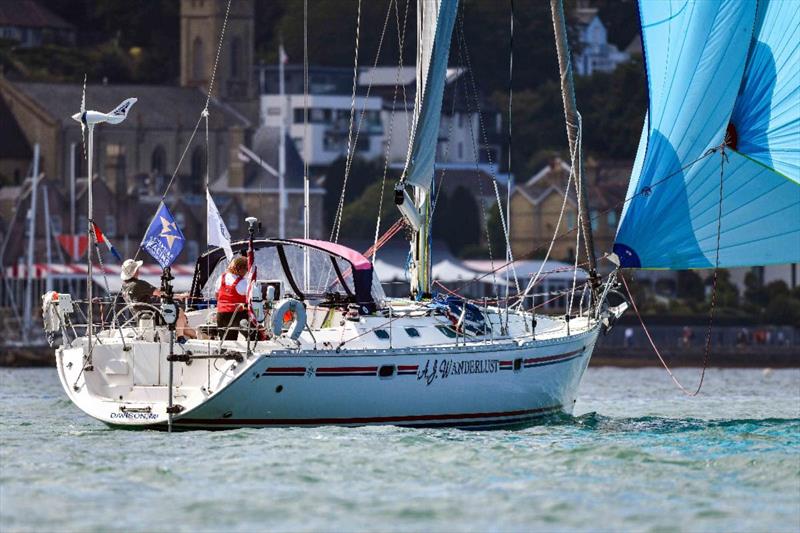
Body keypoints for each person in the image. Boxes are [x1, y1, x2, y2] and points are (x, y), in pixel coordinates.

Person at [120, 258, 196, 339]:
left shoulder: (124, 287)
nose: (139, 270)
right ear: (135, 271)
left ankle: (197, 336)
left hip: (140, 318)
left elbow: (149, 294)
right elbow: (161, 294)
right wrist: (179, 296)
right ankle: (180, 338)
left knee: (182, 321)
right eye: (137, 269)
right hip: (153, 318)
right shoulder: (139, 284)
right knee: (179, 311)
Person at [215, 256, 250, 340]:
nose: (247, 272)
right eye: (246, 269)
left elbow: (217, 296)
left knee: (227, 342)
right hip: (237, 316)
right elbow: (251, 300)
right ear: (241, 269)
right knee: (254, 334)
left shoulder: (221, 278)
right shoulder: (243, 283)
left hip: (221, 315)